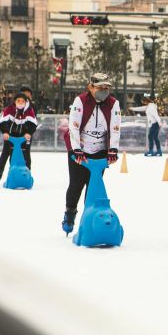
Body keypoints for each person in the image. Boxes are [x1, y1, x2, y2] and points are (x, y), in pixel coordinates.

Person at [61, 73, 122, 236]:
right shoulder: (80, 101)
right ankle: (70, 212)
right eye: (100, 87)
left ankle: (90, 215)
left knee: (93, 185)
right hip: (79, 148)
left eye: (106, 88)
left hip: (100, 149)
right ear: (91, 87)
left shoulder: (113, 104)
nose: (104, 90)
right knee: (76, 184)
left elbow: (115, 128)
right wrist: (76, 149)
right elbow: (73, 126)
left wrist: (113, 150)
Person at [0, 93, 37, 184]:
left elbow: (33, 124)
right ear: (15, 101)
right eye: (18, 101)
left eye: (22, 101)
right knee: (6, 153)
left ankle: (27, 174)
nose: (20, 103)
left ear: (25, 102)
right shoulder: (9, 109)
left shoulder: (29, 110)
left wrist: (29, 133)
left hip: (23, 136)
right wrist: (5, 132)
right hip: (11, 135)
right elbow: (2, 122)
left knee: (25, 154)